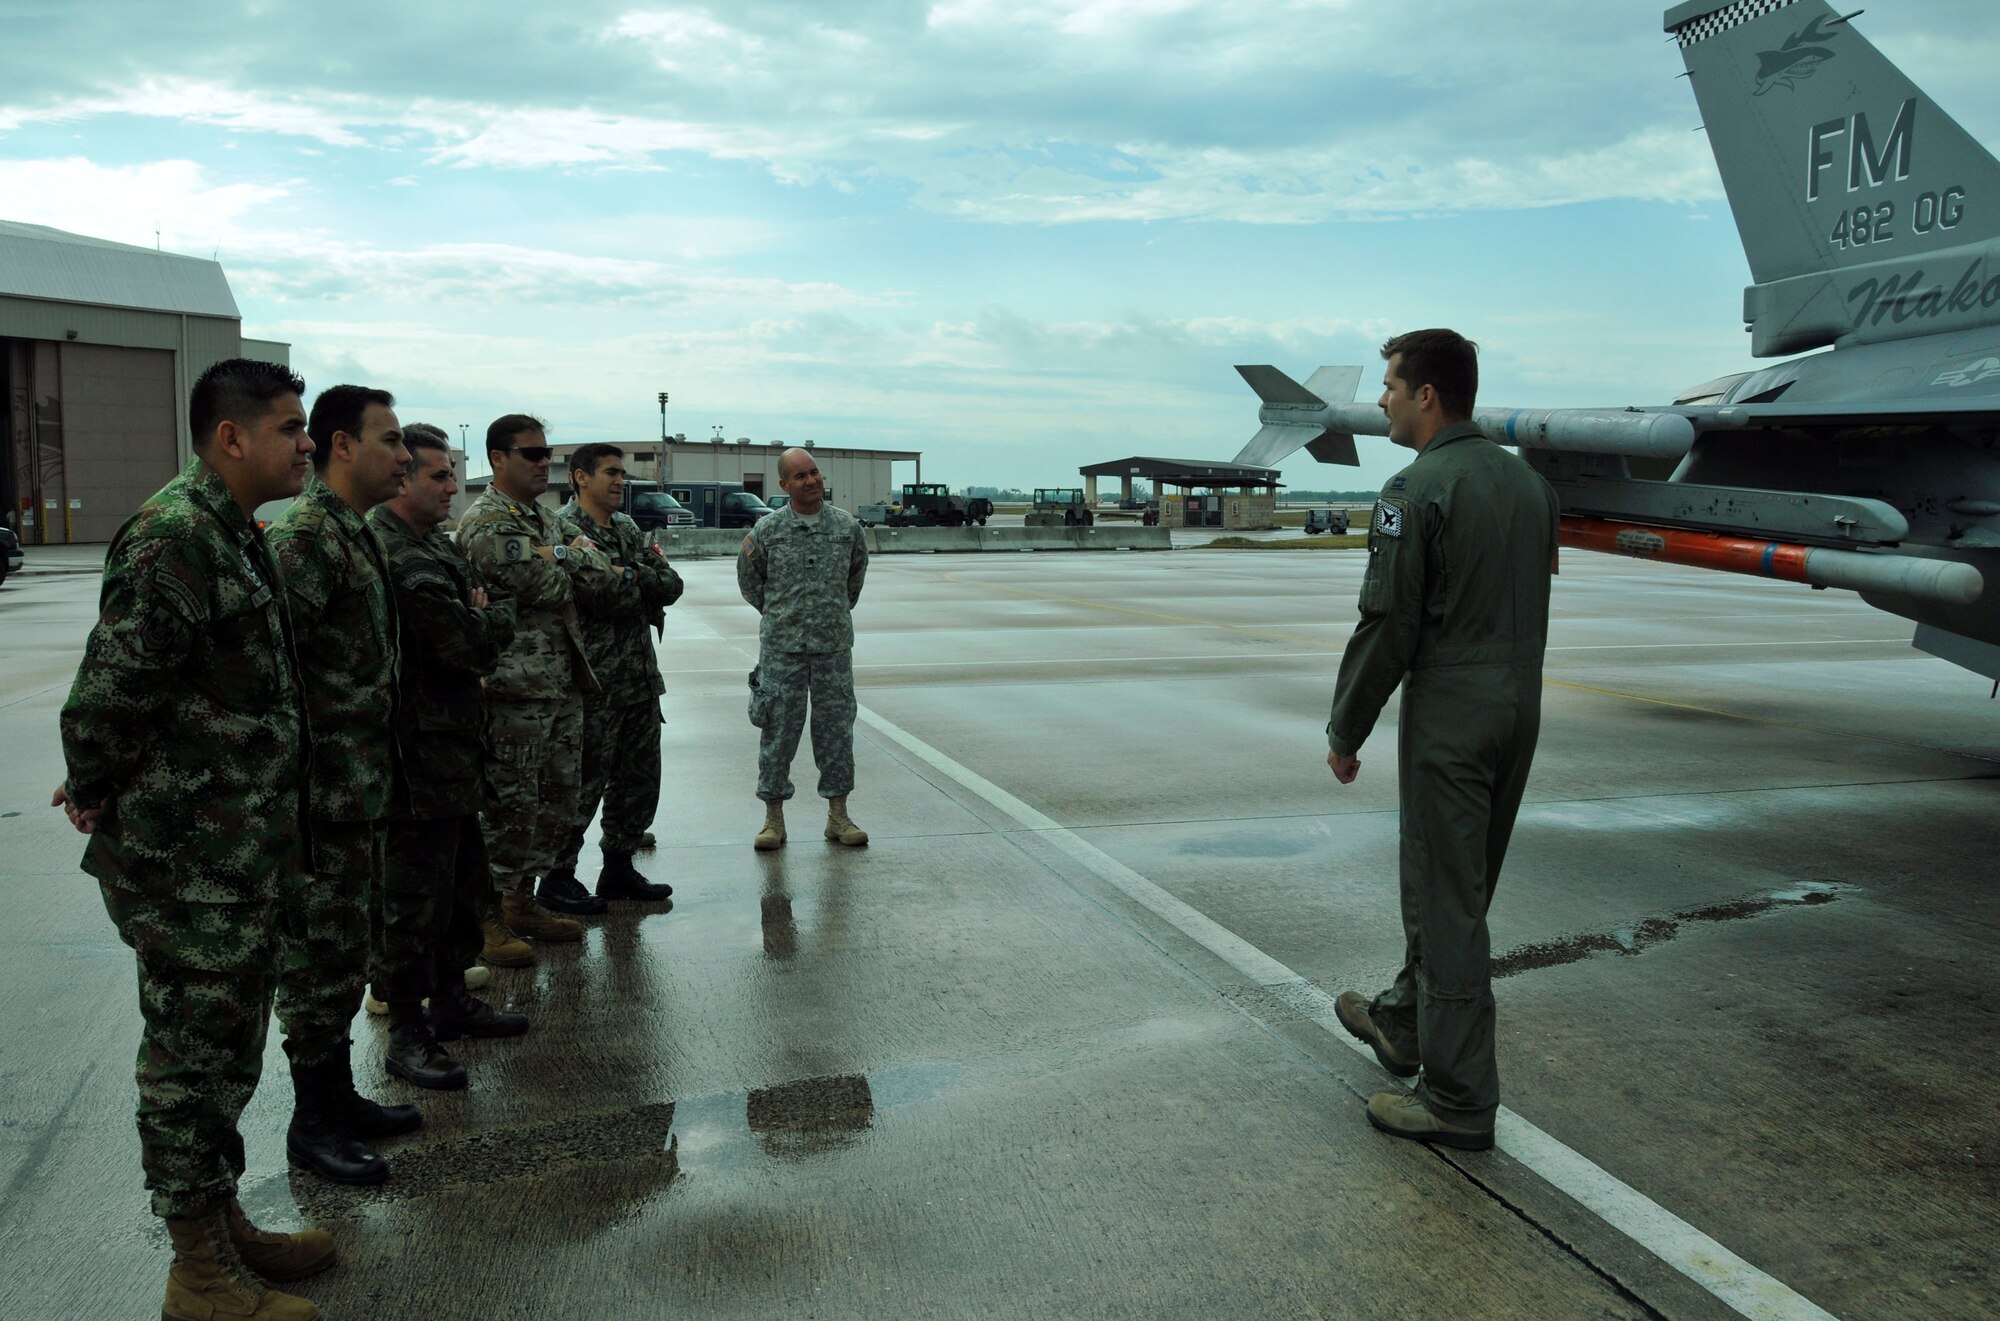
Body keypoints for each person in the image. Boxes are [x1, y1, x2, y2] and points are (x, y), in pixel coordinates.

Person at [54, 358, 332, 1321]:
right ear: (232, 437)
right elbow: (109, 693)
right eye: (292, 427)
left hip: (236, 851)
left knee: (227, 1053)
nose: (306, 443)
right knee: (189, 1062)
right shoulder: (175, 536)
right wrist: (93, 784)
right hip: (188, 861)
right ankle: (196, 1271)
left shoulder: (233, 531)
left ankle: (220, 1224)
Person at [1326, 329, 1560, 1152]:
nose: (1382, 398)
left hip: (1453, 715)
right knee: (1460, 885)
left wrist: (1347, 726)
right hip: (1518, 707)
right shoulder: (1529, 484)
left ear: (1428, 395)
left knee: (1444, 897)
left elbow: (1388, 620)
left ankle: (1458, 1100)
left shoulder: (1413, 488)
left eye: (1391, 384)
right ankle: (1404, 1020)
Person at [266, 384, 416, 1185]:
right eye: (390, 440)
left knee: (346, 951)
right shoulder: (305, 541)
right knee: (319, 963)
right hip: (319, 799)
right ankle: (312, 1122)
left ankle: (338, 1097)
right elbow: (275, 672)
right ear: (342, 447)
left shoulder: (350, 534)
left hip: (357, 790)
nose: (405, 455)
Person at [369, 424, 530, 1090]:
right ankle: (408, 1028)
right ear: (403, 478)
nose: (450, 488)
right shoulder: (392, 551)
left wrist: (480, 618)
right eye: (438, 476)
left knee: (462, 882)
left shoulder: (434, 547)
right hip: (413, 759)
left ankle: (452, 1003)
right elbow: (463, 637)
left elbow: (474, 622)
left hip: (454, 750)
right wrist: (485, 618)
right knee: (412, 899)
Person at [455, 414, 616, 938]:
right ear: (497, 459)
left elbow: (602, 572)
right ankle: (490, 915)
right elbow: (539, 583)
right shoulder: (487, 521)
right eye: (531, 453)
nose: (544, 462)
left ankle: (522, 901)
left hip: (559, 685)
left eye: (546, 453)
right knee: (510, 806)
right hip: (513, 692)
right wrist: (570, 558)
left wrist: (561, 554)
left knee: (554, 801)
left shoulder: (542, 520)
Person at [550, 443, 684, 904]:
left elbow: (670, 586)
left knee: (639, 779)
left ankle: (619, 867)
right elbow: (598, 593)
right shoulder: (564, 529)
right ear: (579, 477)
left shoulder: (626, 527)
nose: (620, 482)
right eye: (610, 473)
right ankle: (558, 876)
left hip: (640, 680)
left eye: (622, 474)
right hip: (595, 682)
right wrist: (635, 578)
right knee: (583, 782)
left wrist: (628, 574)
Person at [737, 447, 870, 849]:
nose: (810, 481)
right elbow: (749, 581)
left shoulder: (847, 528)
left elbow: (854, 580)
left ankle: (838, 816)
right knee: (777, 734)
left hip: (831, 648)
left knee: (835, 733)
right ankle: (773, 820)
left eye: (813, 473)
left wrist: (827, 613)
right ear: (784, 485)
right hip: (782, 650)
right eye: (800, 476)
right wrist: (780, 614)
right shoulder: (767, 531)